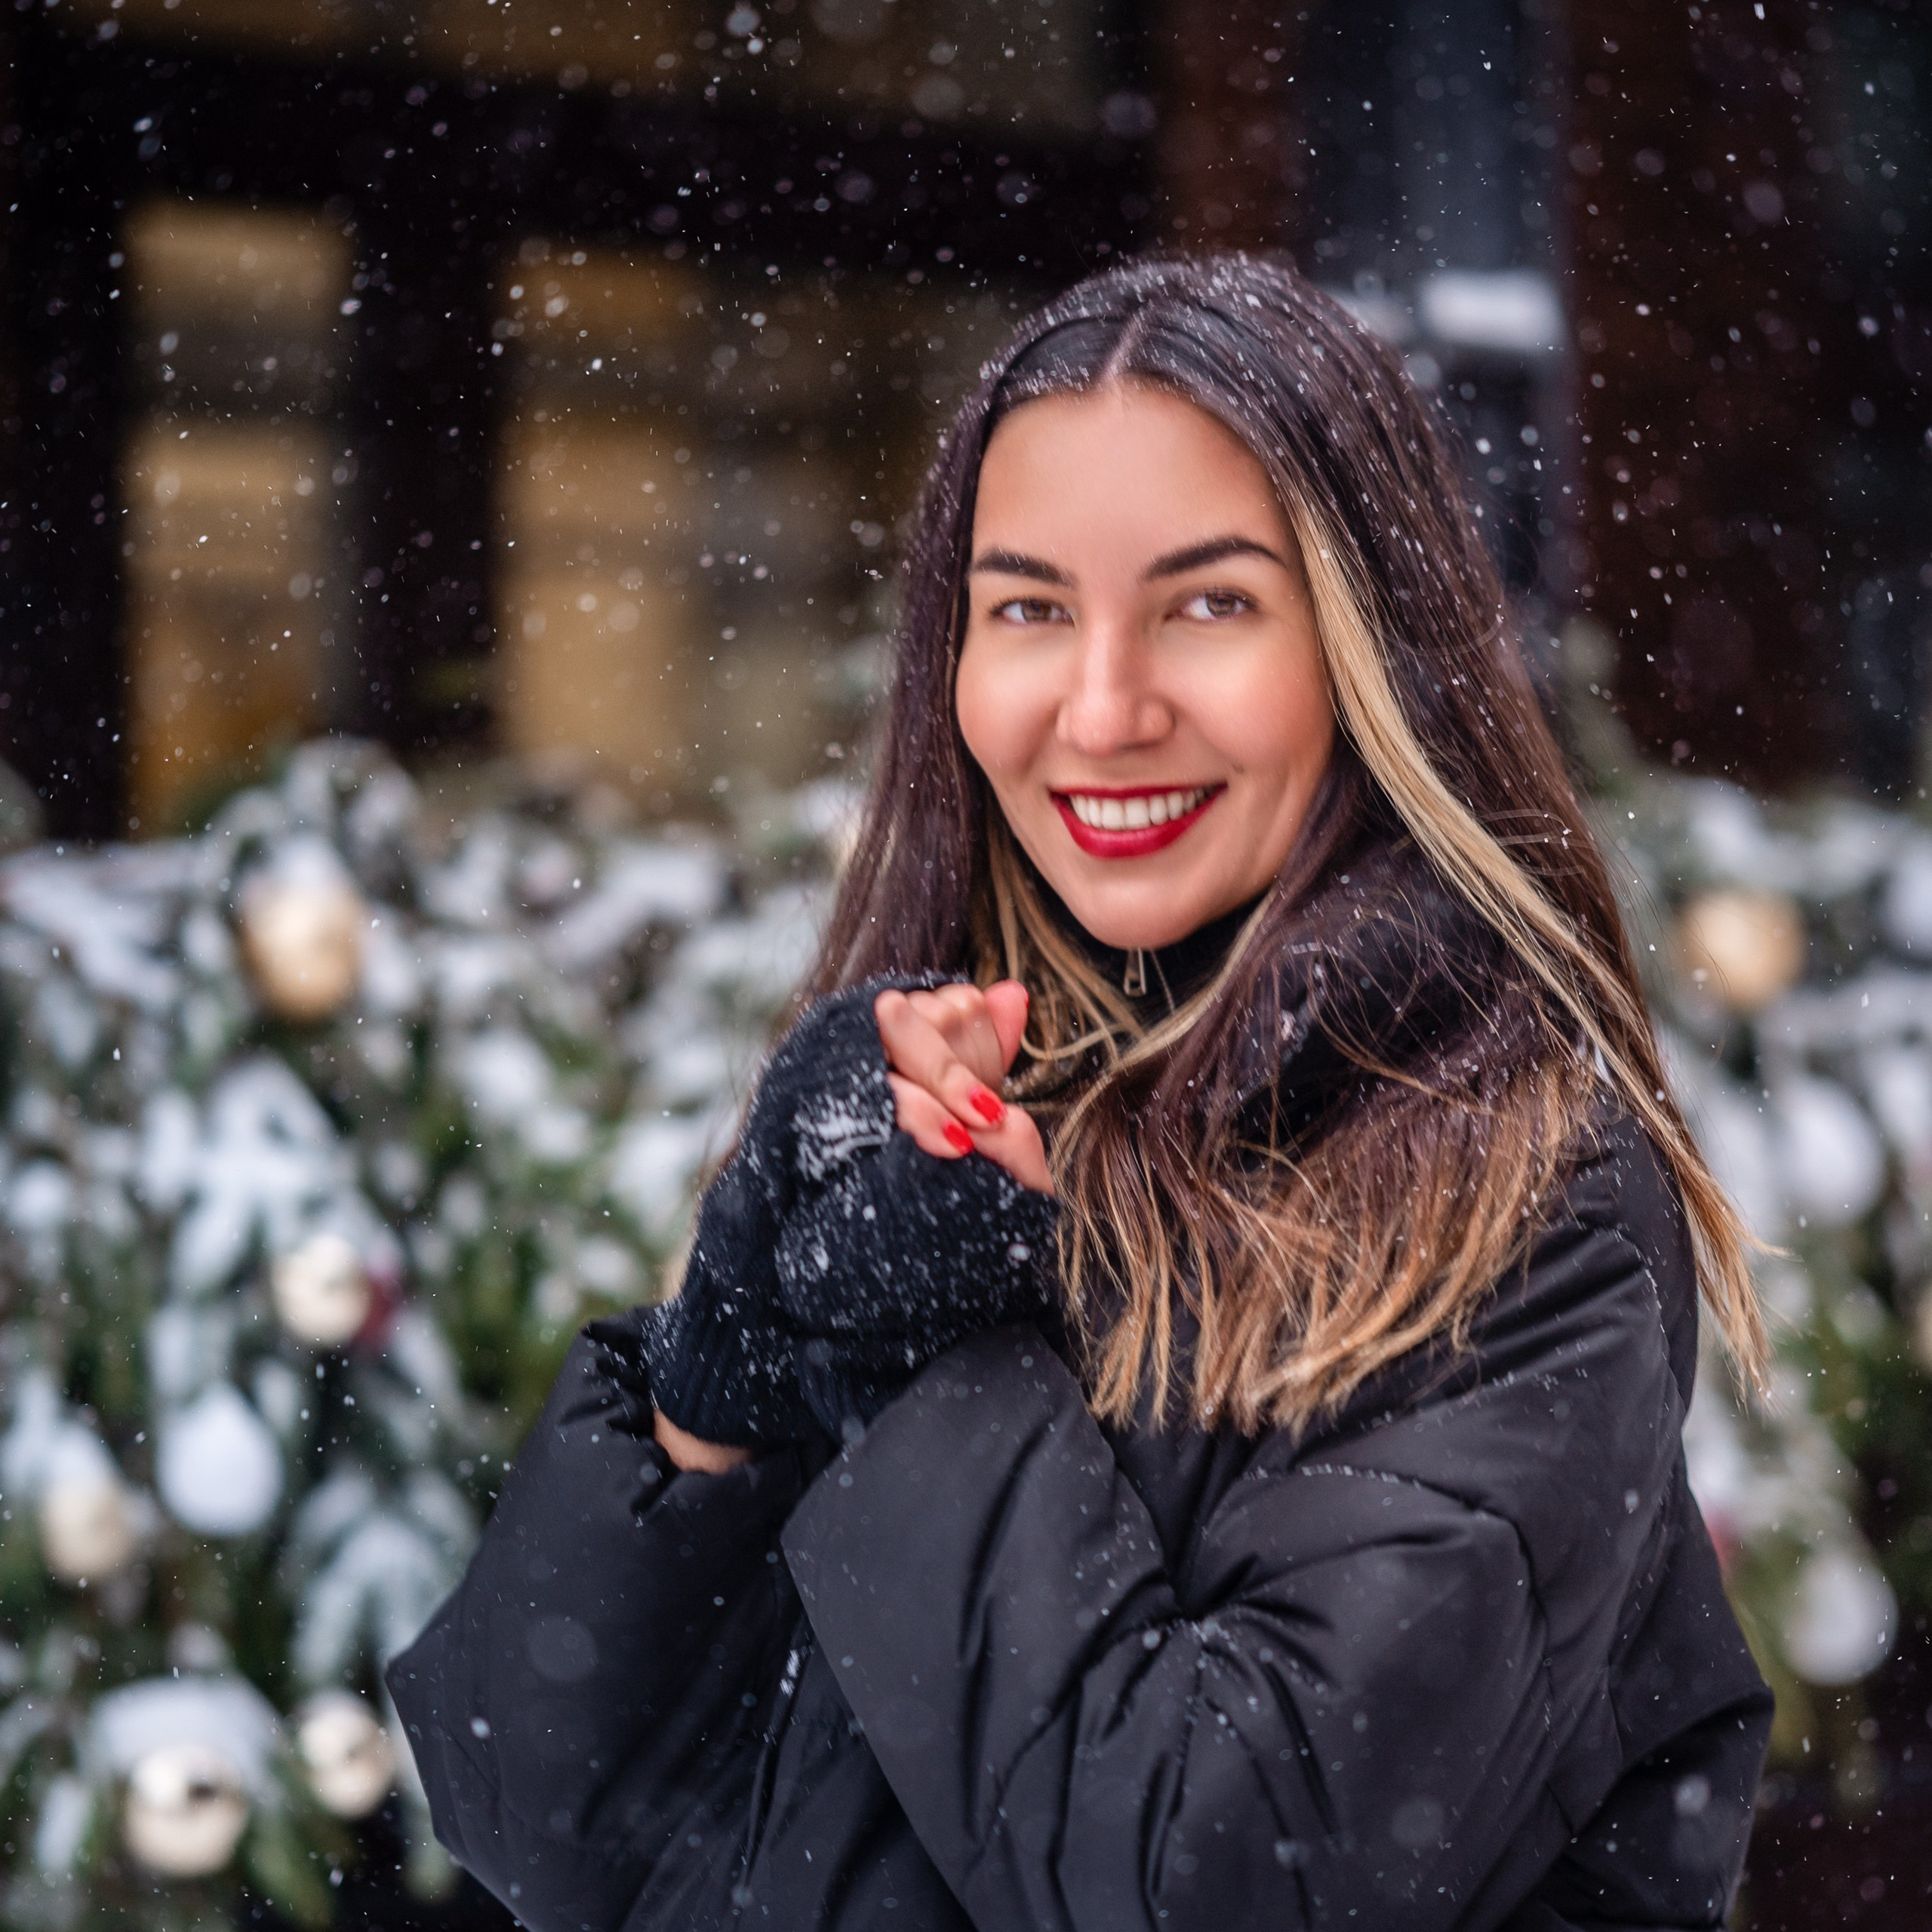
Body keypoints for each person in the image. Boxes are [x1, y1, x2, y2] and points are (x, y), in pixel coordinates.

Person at [386, 254, 1774, 1932]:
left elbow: (1210, 1877)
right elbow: (531, 1809)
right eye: (1029, 606)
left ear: (1369, 652)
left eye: (1207, 602)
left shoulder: (1515, 1202)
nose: (1101, 710)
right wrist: (718, 1383)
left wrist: (925, 1351)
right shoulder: (956, 1092)